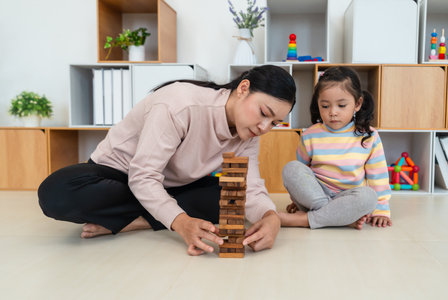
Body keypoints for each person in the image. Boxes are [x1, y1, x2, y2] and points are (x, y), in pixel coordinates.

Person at [38, 65, 296, 256]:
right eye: (264, 113)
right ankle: (154, 216)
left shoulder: (249, 132)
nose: (264, 127)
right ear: (243, 89)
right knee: (58, 193)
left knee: (233, 199)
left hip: (170, 187)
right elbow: (143, 176)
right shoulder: (180, 104)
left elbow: (247, 186)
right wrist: (181, 223)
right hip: (120, 175)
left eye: (274, 123)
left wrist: (270, 216)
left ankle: (133, 220)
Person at [278, 66, 392, 230]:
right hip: (316, 195)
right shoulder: (310, 135)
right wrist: (297, 199)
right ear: (318, 104)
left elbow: (378, 176)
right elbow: (302, 174)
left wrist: (381, 210)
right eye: (325, 106)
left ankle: (306, 219)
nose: (333, 112)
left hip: (349, 197)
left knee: (369, 196)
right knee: (291, 168)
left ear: (357, 104)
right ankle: (338, 217)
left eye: (341, 105)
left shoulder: (369, 136)